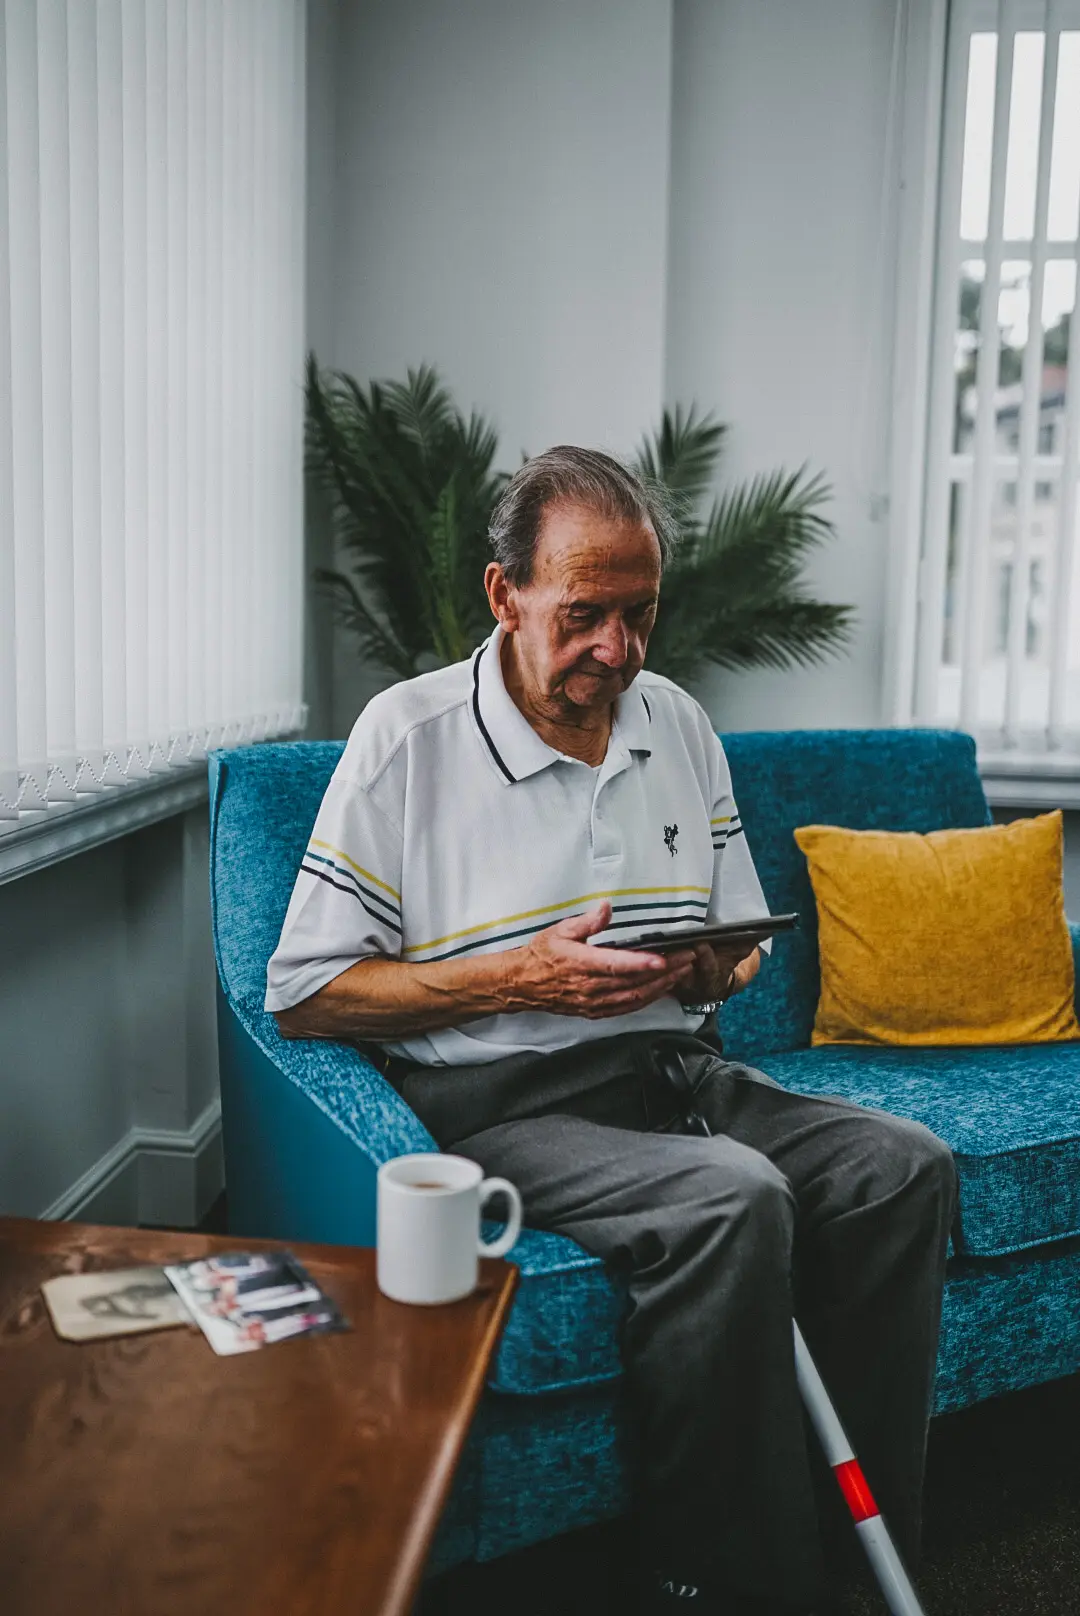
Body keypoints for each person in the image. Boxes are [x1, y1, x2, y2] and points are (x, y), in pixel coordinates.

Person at [266, 447, 957, 1616]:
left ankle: (852, 1551)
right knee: (734, 1199)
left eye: (641, 614)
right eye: (585, 614)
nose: (619, 648)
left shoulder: (676, 722)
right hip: (505, 1100)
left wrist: (716, 961)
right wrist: (516, 974)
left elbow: (743, 941)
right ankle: (713, 1584)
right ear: (505, 593)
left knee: (902, 1168)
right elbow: (306, 990)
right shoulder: (407, 736)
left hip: (675, 1066)